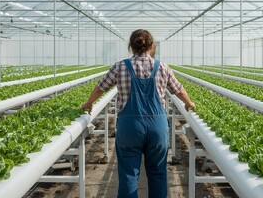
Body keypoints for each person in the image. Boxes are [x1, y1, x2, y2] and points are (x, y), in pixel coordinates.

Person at [81, 29, 195, 198]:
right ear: (151, 46)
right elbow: (179, 90)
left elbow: (100, 88)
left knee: (128, 174)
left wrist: (88, 103)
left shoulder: (120, 66)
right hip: (157, 127)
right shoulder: (162, 66)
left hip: (129, 128)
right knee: (157, 173)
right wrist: (189, 103)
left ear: (130, 47)